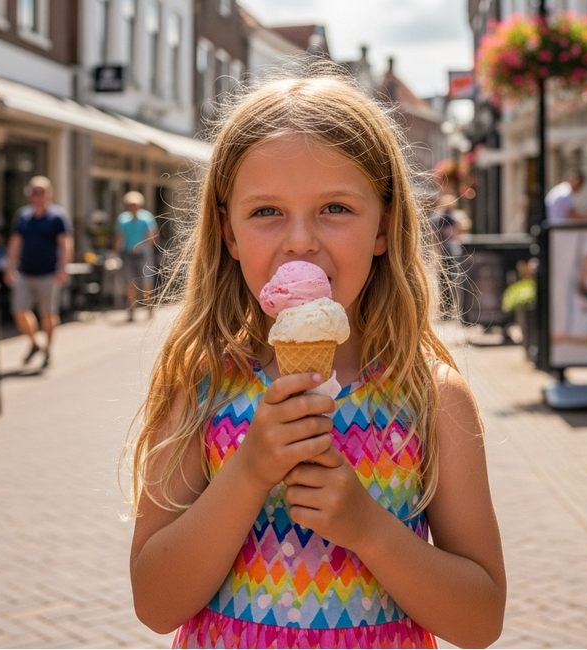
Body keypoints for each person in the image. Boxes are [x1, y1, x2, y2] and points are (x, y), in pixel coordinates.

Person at [127, 70, 506, 648]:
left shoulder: (432, 397)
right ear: (228, 233)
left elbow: (480, 621)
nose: (300, 239)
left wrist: (369, 529)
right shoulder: (200, 385)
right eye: (265, 212)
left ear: (383, 224)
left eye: (334, 207)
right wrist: (250, 470)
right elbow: (155, 602)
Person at [5, 176, 73, 368]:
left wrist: (63, 267)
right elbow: (16, 242)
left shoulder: (57, 216)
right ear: (29, 195)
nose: (38, 195)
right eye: (34, 191)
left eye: (41, 191)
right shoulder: (24, 216)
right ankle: (35, 343)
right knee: (19, 310)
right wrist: (10, 267)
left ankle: (48, 350)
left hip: (48, 273)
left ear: (48, 194)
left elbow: (66, 243)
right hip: (25, 272)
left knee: (48, 314)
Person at [114, 191, 158, 321]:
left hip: (143, 255)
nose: (132, 207)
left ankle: (148, 307)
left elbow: (152, 236)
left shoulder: (146, 218)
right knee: (129, 282)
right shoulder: (123, 219)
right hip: (128, 254)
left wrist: (143, 247)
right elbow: (119, 237)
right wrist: (115, 253)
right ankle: (131, 310)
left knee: (146, 282)